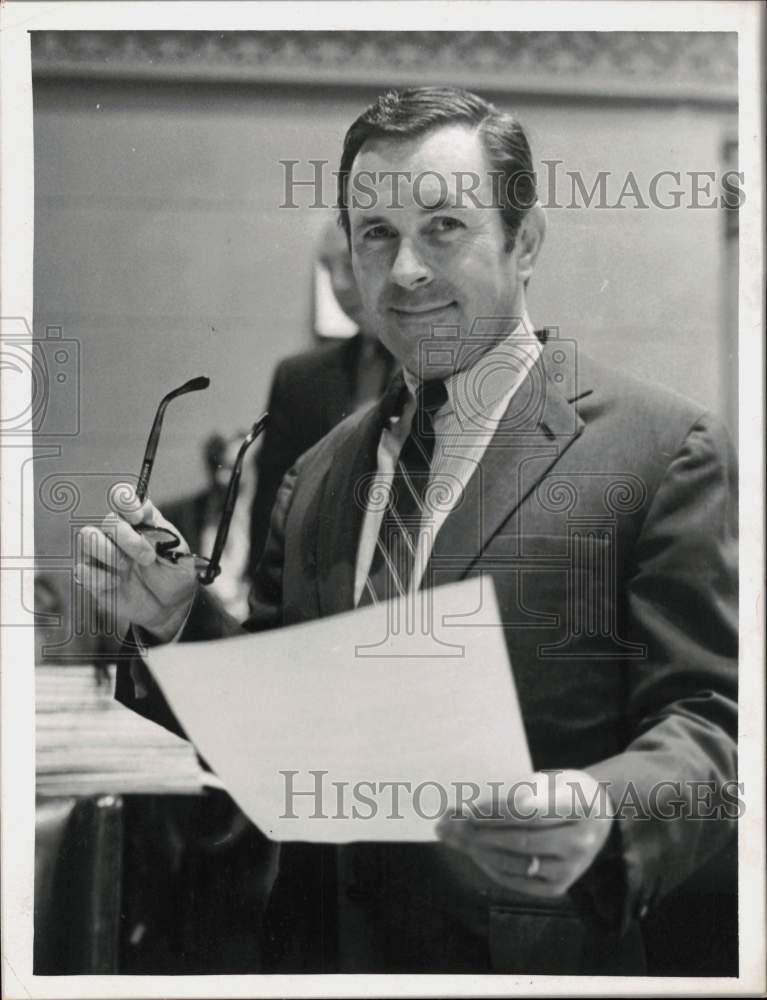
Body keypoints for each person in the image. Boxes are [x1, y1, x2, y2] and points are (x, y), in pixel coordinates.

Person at [79, 86, 737, 975]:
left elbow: (711, 726)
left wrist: (602, 807)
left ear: (526, 241)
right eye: (376, 234)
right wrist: (177, 621)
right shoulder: (317, 473)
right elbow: (278, 726)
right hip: (316, 962)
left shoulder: (657, 449)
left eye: (443, 228)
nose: (405, 271)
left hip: (528, 963)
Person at [247, 219, 395, 576]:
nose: (339, 284)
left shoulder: (446, 367)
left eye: (349, 263)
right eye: (328, 268)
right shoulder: (299, 377)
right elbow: (268, 519)